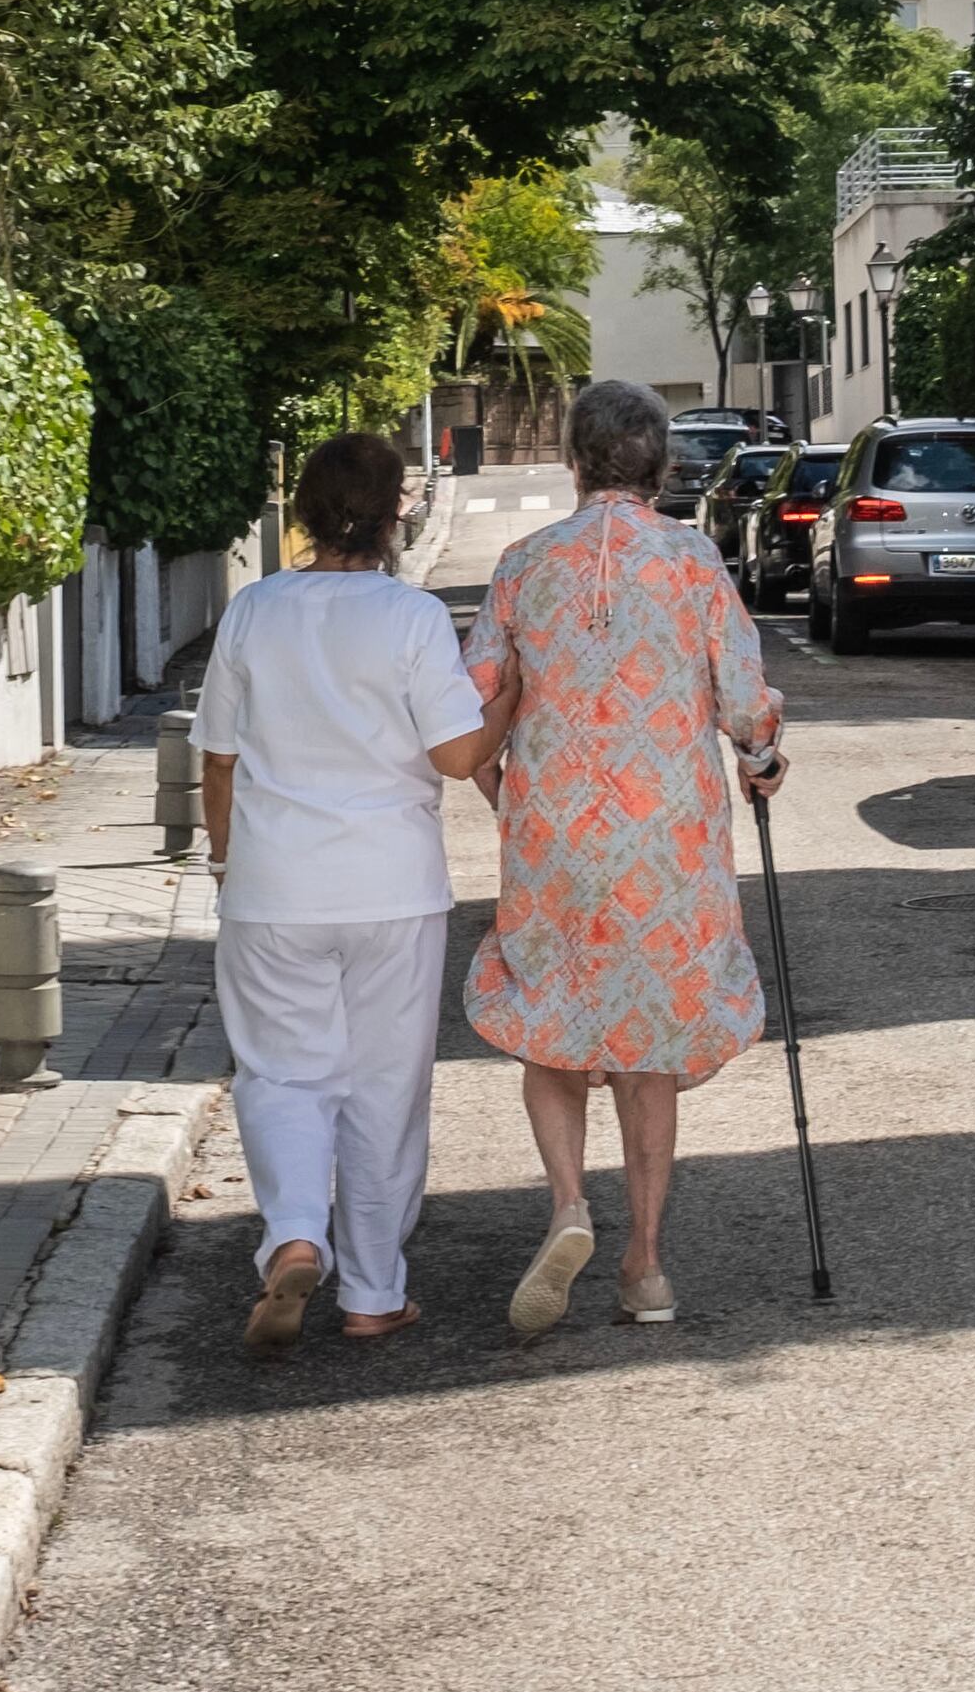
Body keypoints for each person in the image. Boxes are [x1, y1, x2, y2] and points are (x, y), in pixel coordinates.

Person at [462, 377, 788, 1332]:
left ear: (574, 460)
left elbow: (476, 697)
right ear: (663, 466)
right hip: (669, 838)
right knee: (647, 1044)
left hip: (556, 829)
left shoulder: (526, 563)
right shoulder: (692, 563)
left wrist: (501, 788)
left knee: (550, 1019)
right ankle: (644, 1267)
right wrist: (762, 759)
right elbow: (743, 699)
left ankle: (568, 1205)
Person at [195, 429, 496, 1351]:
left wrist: (223, 859)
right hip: (392, 887)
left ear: (304, 515)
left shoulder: (255, 611)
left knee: (282, 1073)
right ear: (398, 512)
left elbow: (217, 756)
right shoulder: (408, 618)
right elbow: (455, 757)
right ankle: (372, 1289)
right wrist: (509, 700)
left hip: (274, 884)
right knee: (384, 1088)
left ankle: (293, 1231)